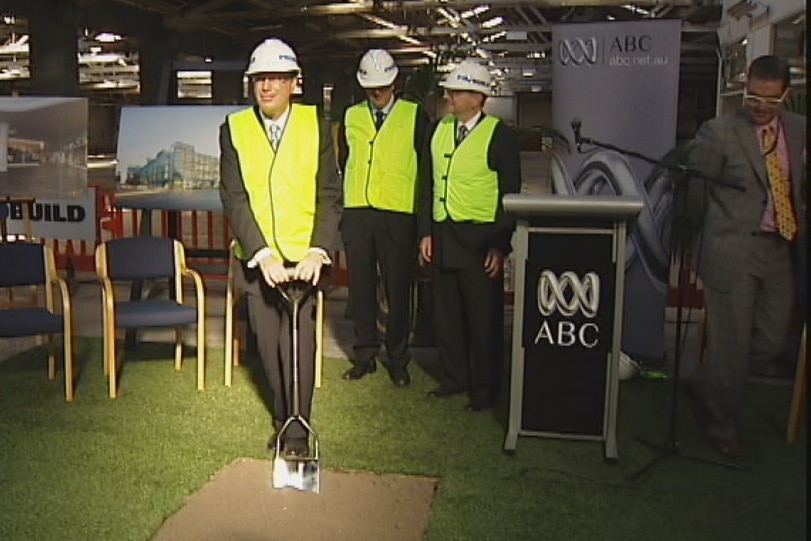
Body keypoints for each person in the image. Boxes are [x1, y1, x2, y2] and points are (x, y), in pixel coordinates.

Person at [219, 38, 342, 456]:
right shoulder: (233, 128)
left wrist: (318, 250)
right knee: (268, 346)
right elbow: (233, 196)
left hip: (303, 261)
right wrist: (262, 254)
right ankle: (281, 414)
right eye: (259, 79)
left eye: (276, 78)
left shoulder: (317, 126)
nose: (266, 86)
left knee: (299, 342)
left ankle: (297, 430)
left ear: (296, 83)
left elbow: (329, 193)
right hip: (259, 261)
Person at [685, 55, 806, 459]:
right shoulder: (718, 132)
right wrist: (696, 249)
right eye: (754, 96)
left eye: (770, 100)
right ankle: (722, 423)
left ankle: (709, 380)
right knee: (731, 342)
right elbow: (695, 194)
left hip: (780, 245)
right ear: (745, 87)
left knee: (771, 340)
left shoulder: (799, 130)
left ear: (786, 95)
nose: (760, 106)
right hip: (732, 248)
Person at [418, 60, 522, 411]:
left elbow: (511, 194)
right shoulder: (437, 129)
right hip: (444, 233)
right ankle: (454, 378)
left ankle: (484, 389)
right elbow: (427, 185)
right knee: (446, 316)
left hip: (480, 238)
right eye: (449, 90)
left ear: (478, 97)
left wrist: (500, 244)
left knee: (483, 319)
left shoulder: (500, 135)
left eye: (457, 91)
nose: (449, 96)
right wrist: (426, 233)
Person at [338, 48, 431, 387]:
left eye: (382, 85)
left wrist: (424, 228)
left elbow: (425, 175)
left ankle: (398, 359)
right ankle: (364, 356)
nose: (377, 92)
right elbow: (344, 161)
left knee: (397, 291)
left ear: (395, 82)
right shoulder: (350, 117)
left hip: (398, 215)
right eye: (370, 86)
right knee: (360, 290)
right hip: (359, 214)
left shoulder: (415, 116)